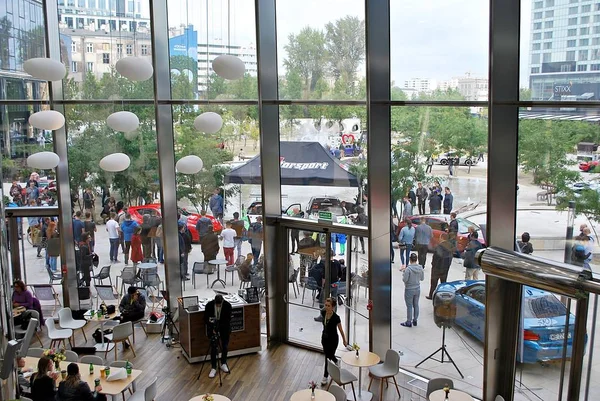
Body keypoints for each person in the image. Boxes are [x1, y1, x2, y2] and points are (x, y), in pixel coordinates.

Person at [319, 297, 349, 385]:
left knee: (327, 358)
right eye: (325, 305)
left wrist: (344, 340)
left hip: (333, 340)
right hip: (324, 338)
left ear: (333, 307)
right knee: (328, 354)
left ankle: (325, 376)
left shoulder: (336, 318)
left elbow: (341, 330)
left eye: (328, 306)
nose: (326, 307)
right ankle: (336, 361)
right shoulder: (323, 313)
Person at [204, 294, 232, 378]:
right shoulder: (209, 305)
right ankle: (213, 367)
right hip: (213, 328)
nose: (218, 305)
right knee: (213, 348)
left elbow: (228, 319)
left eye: (219, 304)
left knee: (225, 346)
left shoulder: (227, 306)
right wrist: (212, 327)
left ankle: (223, 363)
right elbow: (206, 318)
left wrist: (219, 328)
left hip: (224, 328)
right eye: (217, 304)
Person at [400, 253, 424, 327]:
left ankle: (408, 321)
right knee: (416, 305)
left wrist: (403, 272)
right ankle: (415, 320)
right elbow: (422, 278)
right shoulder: (420, 268)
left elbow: (405, 280)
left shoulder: (408, 269)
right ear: (416, 259)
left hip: (409, 289)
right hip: (417, 289)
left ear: (410, 260)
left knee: (409, 306)